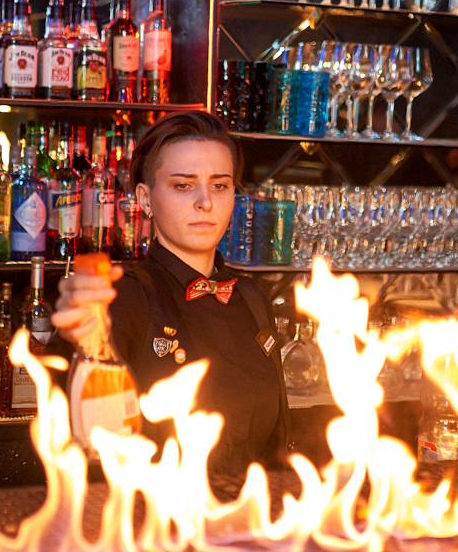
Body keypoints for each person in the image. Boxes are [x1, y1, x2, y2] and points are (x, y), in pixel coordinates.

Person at [52, 111, 288, 481]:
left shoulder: (253, 300)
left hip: (250, 513)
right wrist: (73, 335)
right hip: (150, 513)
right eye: (182, 185)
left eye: (220, 185)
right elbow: (70, 408)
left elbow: (276, 449)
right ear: (145, 199)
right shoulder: (125, 296)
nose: (205, 202)